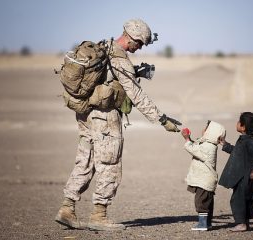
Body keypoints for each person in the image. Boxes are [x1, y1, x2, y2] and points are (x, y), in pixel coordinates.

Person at [55, 19, 182, 231]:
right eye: (140, 44)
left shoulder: (104, 47)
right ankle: (99, 215)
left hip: (85, 115)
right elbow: (137, 96)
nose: (139, 48)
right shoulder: (119, 59)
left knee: (84, 161)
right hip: (105, 118)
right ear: (131, 37)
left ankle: (67, 208)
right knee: (109, 164)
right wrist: (162, 119)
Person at [218, 112, 253, 232]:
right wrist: (225, 144)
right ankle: (245, 223)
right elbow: (237, 152)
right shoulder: (244, 140)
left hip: (245, 177)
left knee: (238, 199)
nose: (236, 123)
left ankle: (241, 223)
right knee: (245, 199)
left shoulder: (248, 141)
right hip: (242, 176)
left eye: (239, 121)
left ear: (243, 127)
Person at [181, 121, 226, 231]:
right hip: (205, 179)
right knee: (207, 202)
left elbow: (193, 149)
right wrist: (189, 139)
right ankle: (208, 223)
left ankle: (202, 224)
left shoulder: (208, 147)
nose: (203, 130)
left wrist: (187, 139)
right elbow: (196, 146)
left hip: (204, 181)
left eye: (206, 128)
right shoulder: (207, 145)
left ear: (211, 133)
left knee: (201, 202)